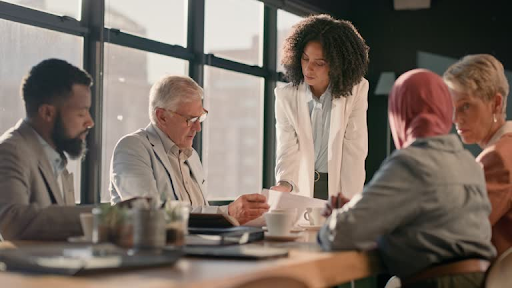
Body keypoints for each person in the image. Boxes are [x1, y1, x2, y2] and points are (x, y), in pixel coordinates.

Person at [318, 69, 496, 287]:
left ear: (399, 113)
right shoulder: (469, 163)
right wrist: (367, 214)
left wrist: (336, 220)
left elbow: (341, 235)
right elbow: (433, 226)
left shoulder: (411, 162)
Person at [109, 75, 269, 225]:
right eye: (190, 119)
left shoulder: (191, 156)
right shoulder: (132, 148)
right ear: (162, 116)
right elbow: (149, 214)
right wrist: (227, 212)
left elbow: (200, 214)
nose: (198, 127)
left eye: (200, 118)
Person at [271, 14, 369, 200]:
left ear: (337, 64)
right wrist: (283, 184)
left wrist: (349, 201)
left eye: (319, 63)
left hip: (339, 188)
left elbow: (354, 150)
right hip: (300, 186)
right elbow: (287, 147)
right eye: (305, 59)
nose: (308, 69)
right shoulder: (285, 97)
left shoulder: (356, 90)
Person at [0, 59, 94, 240]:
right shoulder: (10, 151)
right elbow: (13, 221)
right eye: (81, 113)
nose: (90, 122)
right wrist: (103, 215)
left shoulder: (57, 159)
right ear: (47, 113)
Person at [444, 54, 512, 256]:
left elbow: (460, 230)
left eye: (465, 106)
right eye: (452, 108)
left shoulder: (498, 157)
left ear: (496, 104)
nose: (455, 119)